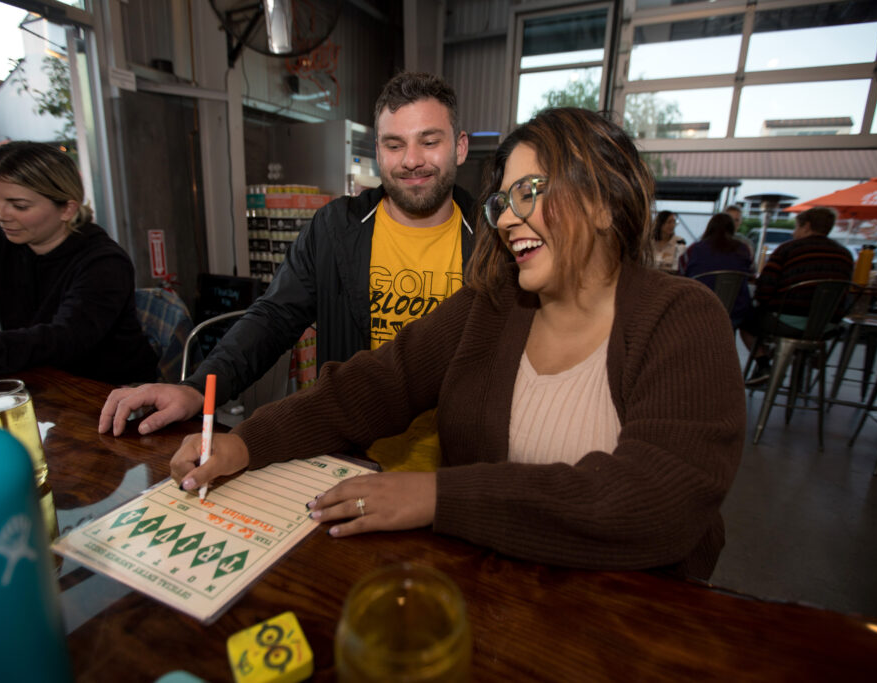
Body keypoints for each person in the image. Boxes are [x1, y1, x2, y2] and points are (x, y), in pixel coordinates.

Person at [169, 108, 745, 579]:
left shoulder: (683, 318)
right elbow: (372, 385)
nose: (508, 220)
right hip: (492, 598)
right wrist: (246, 443)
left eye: (532, 191)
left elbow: (661, 502)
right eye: (502, 202)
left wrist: (440, 497)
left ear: (600, 198)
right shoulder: (489, 308)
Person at [99, 72, 476, 474]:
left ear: (460, 147)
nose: (411, 159)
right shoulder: (335, 229)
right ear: (378, 153)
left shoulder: (494, 238)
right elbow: (273, 318)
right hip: (351, 463)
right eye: (394, 144)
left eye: (429, 141)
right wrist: (197, 390)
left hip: (456, 474)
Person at [0, 141, 158, 384]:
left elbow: (62, 342)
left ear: (67, 208)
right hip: (39, 383)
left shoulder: (104, 262)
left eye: (19, 205)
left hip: (110, 392)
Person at [741, 206, 854, 384]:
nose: (794, 233)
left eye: (796, 227)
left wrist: (763, 304)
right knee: (795, 328)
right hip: (826, 327)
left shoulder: (788, 249)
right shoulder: (845, 255)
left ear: (807, 226)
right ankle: (798, 362)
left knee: (746, 322)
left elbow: (765, 289)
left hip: (786, 322)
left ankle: (765, 365)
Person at [680, 212, 755, 327]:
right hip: (734, 312)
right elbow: (752, 273)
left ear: (709, 227)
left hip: (698, 310)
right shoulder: (744, 249)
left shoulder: (694, 249)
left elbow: (681, 274)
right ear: (732, 229)